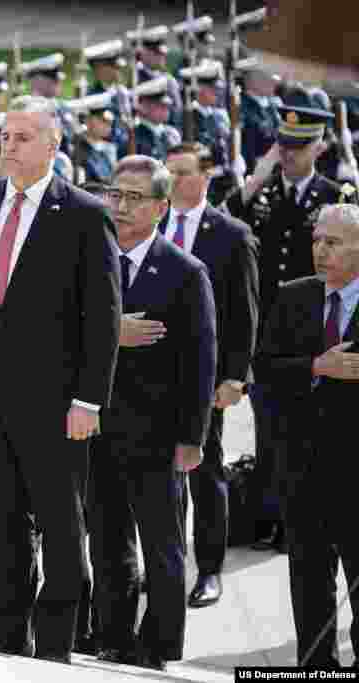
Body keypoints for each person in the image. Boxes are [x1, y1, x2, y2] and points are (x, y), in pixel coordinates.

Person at [0, 96, 121, 662]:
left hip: (57, 402)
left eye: (21, 137)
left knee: (63, 531)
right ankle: (10, 634)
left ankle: (56, 642)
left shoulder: (85, 213)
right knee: (0, 523)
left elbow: (103, 315)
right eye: (5, 137)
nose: (8, 146)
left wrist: (90, 398)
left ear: (53, 145)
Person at [91, 155, 216, 672]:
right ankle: (112, 636)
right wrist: (107, 332)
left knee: (162, 549)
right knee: (108, 543)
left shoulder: (186, 273)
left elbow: (201, 359)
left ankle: (161, 644)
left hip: (158, 435)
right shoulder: (88, 261)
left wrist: (193, 437)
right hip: (94, 426)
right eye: (114, 194)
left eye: (134, 198)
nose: (120, 206)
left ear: (162, 208)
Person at [224, 103, 345, 551]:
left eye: (301, 146)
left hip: (318, 331)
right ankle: (274, 517)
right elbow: (221, 224)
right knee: (271, 429)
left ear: (320, 146)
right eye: (285, 146)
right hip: (270, 337)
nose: (291, 154)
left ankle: (311, 515)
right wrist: (256, 177)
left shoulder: (336, 195)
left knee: (313, 430)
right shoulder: (261, 192)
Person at [254, 203, 359, 668]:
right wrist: (316, 366)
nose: (320, 250)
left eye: (333, 242)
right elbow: (265, 369)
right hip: (303, 469)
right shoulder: (295, 296)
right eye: (317, 240)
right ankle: (315, 667)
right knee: (310, 580)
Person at [161, 142, 259, 610]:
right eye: (169, 172)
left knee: (205, 472)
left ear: (206, 175)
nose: (175, 181)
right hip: (152, 376)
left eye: (183, 172)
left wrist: (235, 376)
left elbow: (244, 313)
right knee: (159, 477)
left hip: (206, 377)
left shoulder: (230, 234)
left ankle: (211, 570)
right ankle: (167, 567)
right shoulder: (151, 225)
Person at [178, 60, 237, 205]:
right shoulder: (189, 116)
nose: (217, 93)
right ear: (200, 89)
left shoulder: (218, 116)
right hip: (202, 182)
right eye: (213, 89)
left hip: (221, 181)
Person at [128, 24, 183, 130]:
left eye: (162, 53)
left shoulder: (168, 79)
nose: (162, 57)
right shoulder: (134, 77)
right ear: (144, 52)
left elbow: (176, 112)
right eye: (157, 53)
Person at [85, 39, 132, 156]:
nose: (118, 71)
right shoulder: (92, 98)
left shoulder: (122, 93)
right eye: (114, 67)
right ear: (99, 68)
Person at [237, 58, 282, 176]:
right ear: (251, 81)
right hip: (254, 172)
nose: (273, 82)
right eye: (266, 78)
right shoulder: (241, 106)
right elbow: (244, 143)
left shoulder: (273, 105)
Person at [67, 93, 118, 185]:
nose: (108, 126)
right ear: (87, 120)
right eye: (103, 120)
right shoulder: (76, 147)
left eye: (110, 122)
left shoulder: (107, 148)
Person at [132, 78, 182, 160]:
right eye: (160, 106)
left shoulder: (172, 133)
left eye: (167, 106)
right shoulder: (135, 135)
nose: (166, 110)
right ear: (144, 107)